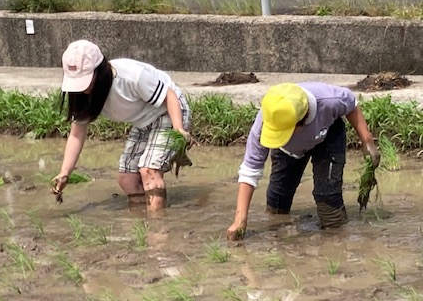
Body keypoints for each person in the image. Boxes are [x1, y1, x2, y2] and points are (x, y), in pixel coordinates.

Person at [50, 39, 192, 212]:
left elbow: (169, 96)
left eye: (85, 80)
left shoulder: (131, 76)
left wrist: (179, 129)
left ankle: (158, 231)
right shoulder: (83, 96)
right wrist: (65, 173)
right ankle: (144, 222)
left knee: (149, 170)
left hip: (169, 110)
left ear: (99, 70)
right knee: (127, 179)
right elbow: (76, 135)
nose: (81, 89)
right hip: (142, 121)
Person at [227, 82, 380, 240]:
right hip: (288, 150)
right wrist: (240, 220)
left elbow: (351, 105)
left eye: (284, 132)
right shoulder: (266, 122)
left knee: (328, 200)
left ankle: (335, 242)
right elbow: (250, 170)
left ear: (302, 121)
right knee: (278, 199)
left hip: (327, 135)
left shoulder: (329, 99)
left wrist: (367, 141)